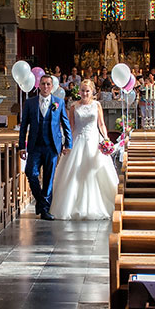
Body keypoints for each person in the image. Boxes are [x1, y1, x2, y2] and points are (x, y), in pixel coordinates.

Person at [49, 79, 119, 220]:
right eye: (82, 90)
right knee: (75, 172)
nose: (85, 93)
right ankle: (73, 205)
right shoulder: (74, 106)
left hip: (94, 141)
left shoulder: (97, 105)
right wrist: (66, 144)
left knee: (94, 172)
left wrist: (105, 138)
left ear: (92, 92)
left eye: (87, 91)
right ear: (79, 91)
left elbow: (101, 124)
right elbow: (71, 127)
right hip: (78, 140)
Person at [19, 73, 72, 220]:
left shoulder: (59, 102)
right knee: (31, 173)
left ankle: (44, 211)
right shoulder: (30, 103)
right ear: (39, 85)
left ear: (52, 86)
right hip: (35, 146)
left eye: (48, 84)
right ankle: (42, 202)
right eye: (43, 84)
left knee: (49, 179)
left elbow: (65, 124)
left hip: (52, 146)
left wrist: (68, 143)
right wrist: (21, 146)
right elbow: (24, 126)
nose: (45, 87)